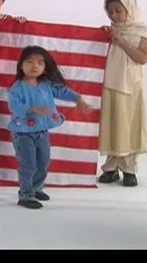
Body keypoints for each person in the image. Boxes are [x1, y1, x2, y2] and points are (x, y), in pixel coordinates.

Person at [7, 46, 93, 209]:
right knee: (28, 165)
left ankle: (36, 188)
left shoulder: (46, 84)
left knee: (44, 162)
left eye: (40, 63)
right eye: (30, 61)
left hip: (42, 132)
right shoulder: (17, 88)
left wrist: (78, 100)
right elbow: (14, 106)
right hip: (23, 134)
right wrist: (33, 109)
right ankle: (26, 194)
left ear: (45, 68)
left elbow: (63, 91)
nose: (34, 66)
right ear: (21, 65)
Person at [97, 0, 147, 187]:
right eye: (110, 12)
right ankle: (111, 166)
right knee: (112, 124)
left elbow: (142, 58)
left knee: (128, 125)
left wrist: (122, 42)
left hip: (130, 86)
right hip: (110, 84)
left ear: (129, 9)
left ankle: (129, 168)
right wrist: (101, 37)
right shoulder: (109, 31)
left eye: (118, 11)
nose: (114, 15)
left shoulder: (142, 32)